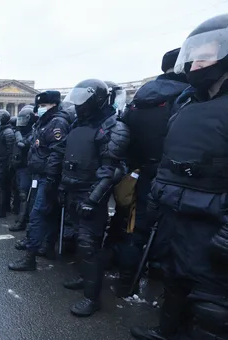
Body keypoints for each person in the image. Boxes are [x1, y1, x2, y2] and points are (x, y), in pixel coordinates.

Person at [131, 14, 228, 340]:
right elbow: (169, 158)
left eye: (206, 57)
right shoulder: (187, 103)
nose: (196, 64)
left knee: (211, 305)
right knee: (175, 281)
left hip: (214, 221)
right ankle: (165, 332)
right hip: (177, 213)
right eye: (195, 56)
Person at [112, 48, 190, 297]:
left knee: (135, 227)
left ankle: (126, 282)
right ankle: (158, 274)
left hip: (138, 171)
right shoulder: (187, 95)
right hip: (173, 174)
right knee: (171, 230)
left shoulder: (142, 96)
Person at [60, 79, 129, 317]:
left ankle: (92, 298)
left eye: (83, 102)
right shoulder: (79, 124)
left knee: (89, 246)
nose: (78, 107)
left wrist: (93, 199)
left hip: (90, 195)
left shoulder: (113, 128)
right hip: (73, 189)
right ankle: (84, 277)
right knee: (80, 241)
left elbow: (111, 170)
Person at [9, 91, 71, 270]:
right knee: (47, 214)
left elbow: (57, 153)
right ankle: (46, 247)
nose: (40, 108)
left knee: (37, 215)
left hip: (47, 177)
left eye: (43, 105)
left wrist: (51, 178)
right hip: (41, 175)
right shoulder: (45, 121)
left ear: (52, 105)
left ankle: (30, 258)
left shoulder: (57, 122)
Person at [9, 105, 36, 232]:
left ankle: (22, 222)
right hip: (19, 167)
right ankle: (20, 215)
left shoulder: (33, 133)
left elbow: (23, 146)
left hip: (26, 168)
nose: (21, 122)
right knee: (18, 192)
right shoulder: (24, 132)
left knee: (24, 195)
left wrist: (18, 134)